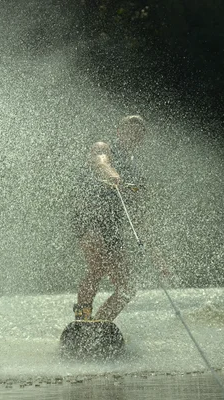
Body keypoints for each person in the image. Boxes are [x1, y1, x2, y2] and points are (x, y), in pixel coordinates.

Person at [71, 115, 147, 322]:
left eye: (138, 133)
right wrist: (111, 173)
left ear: (141, 139)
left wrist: (156, 253)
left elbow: (138, 203)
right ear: (119, 132)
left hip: (112, 224)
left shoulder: (136, 169)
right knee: (97, 267)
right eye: (128, 131)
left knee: (128, 285)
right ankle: (82, 320)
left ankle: (100, 324)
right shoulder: (103, 147)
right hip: (90, 217)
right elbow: (100, 162)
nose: (133, 135)